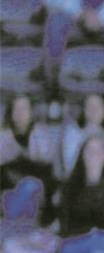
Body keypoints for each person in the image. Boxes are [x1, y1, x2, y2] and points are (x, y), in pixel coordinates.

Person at [0, 94, 60, 225]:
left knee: (30, 186)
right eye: (16, 109)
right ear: (10, 112)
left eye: (24, 108)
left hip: (36, 185)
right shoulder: (4, 134)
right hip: (9, 186)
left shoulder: (41, 133)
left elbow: (47, 160)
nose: (20, 113)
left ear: (31, 113)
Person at [61, 92, 104, 187]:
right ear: (84, 110)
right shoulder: (72, 132)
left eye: (98, 106)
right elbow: (69, 167)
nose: (94, 110)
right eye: (90, 106)